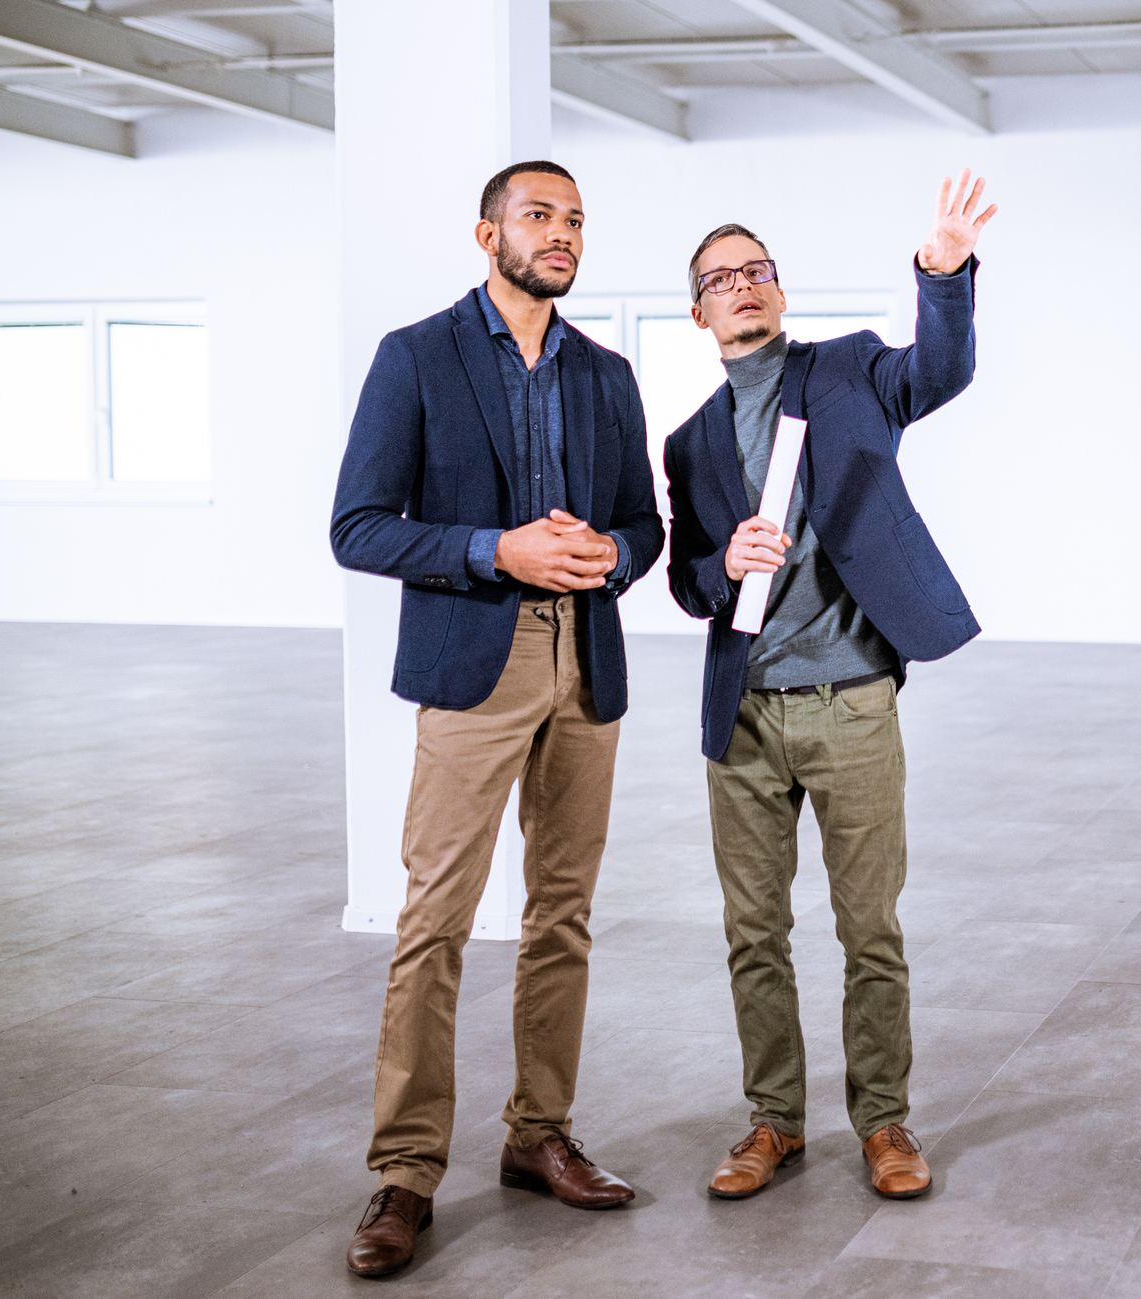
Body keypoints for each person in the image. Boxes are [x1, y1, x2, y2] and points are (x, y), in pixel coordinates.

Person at [328, 160, 664, 1277]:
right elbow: (359, 527)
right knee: (434, 921)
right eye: (538, 216)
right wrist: (495, 550)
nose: (561, 234)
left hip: (586, 662)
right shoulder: (415, 356)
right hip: (476, 662)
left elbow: (643, 525)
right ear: (488, 235)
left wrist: (613, 552)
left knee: (562, 915)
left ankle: (539, 1133)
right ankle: (405, 1171)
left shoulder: (607, 374)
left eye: (574, 220)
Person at [664, 171, 997, 1202]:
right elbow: (685, 580)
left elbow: (939, 371)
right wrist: (722, 565)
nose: (742, 285)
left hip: (850, 699)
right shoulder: (688, 442)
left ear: (778, 288)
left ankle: (883, 1121)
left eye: (756, 270)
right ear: (698, 312)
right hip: (744, 715)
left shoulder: (848, 370)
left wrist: (942, 274)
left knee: (870, 930)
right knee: (752, 933)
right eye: (720, 279)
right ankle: (773, 1120)